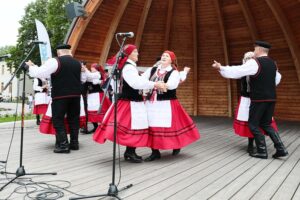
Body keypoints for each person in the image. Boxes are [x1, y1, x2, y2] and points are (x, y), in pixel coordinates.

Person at [212, 40, 288, 159]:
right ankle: (281, 148)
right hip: (271, 98)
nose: (254, 51)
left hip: (258, 99)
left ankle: (262, 151)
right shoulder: (273, 63)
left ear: (259, 49)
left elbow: (238, 71)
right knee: (266, 124)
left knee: (253, 124)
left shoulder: (255, 62)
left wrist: (220, 67)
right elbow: (276, 81)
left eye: (255, 49)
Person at [93, 44, 166, 163]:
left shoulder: (125, 66)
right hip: (131, 102)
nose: (138, 54)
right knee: (134, 126)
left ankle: (130, 151)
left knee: (133, 126)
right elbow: (135, 83)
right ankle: (130, 152)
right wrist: (154, 84)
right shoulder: (128, 67)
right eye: (135, 52)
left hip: (129, 100)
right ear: (129, 54)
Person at [142, 50, 200, 161]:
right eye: (163, 55)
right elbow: (142, 79)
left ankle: (176, 145)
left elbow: (172, 85)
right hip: (152, 103)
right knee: (151, 125)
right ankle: (155, 151)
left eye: (167, 56)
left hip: (167, 102)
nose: (164, 57)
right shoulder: (152, 70)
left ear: (171, 60)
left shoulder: (173, 72)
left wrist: (160, 85)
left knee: (172, 126)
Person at [26, 44, 83, 153]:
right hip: (76, 95)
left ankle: (63, 145)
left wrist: (29, 67)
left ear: (58, 53)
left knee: (58, 119)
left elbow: (40, 73)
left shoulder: (55, 61)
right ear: (68, 51)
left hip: (60, 95)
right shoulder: (77, 63)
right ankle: (74, 143)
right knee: (74, 119)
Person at [233, 51, 278, 153]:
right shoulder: (255, 69)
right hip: (256, 99)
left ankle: (252, 146)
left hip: (247, 99)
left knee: (251, 123)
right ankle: (260, 146)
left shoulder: (244, 70)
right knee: (259, 122)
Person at [85, 63, 111, 133]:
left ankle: (105, 127)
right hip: (91, 95)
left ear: (96, 69)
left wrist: (85, 69)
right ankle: (95, 126)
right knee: (90, 111)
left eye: (92, 67)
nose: (91, 68)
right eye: (91, 67)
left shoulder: (97, 74)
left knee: (99, 111)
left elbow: (92, 78)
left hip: (97, 95)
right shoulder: (91, 74)